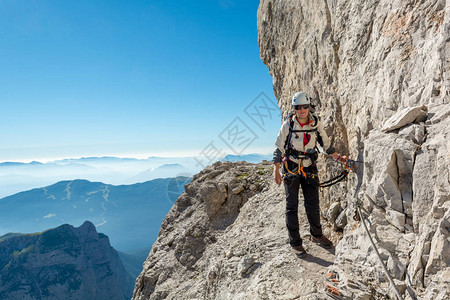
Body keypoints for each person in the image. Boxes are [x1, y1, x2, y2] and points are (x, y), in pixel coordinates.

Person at [273, 91, 348, 256]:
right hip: (291, 167)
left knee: (313, 204)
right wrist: (276, 170)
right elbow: (278, 148)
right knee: (291, 206)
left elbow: (326, 145)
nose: (301, 110)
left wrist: (340, 158)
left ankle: (316, 235)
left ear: (309, 107)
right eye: (298, 107)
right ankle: (295, 243)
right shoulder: (288, 125)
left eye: (304, 107)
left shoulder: (315, 123)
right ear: (294, 109)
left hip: (309, 167)